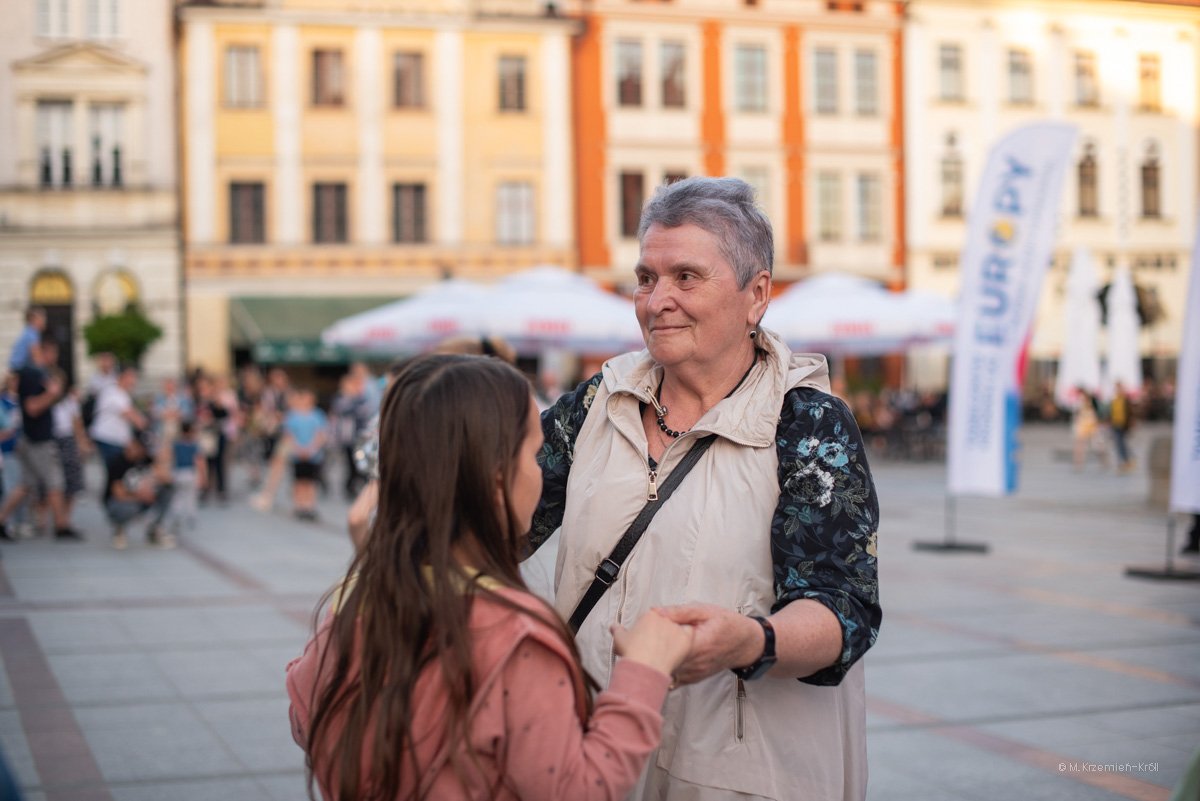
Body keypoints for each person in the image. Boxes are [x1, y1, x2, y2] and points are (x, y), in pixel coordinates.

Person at [530, 177, 881, 800]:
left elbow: (843, 608)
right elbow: (499, 520)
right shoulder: (597, 402)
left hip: (739, 776)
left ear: (757, 295)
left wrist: (750, 640)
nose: (656, 301)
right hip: (594, 753)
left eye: (686, 277)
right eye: (646, 278)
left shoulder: (806, 422)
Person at [286, 354, 694, 801]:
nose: (542, 471)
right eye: (533, 454)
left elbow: (304, 715)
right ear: (498, 478)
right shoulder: (516, 638)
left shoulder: (354, 601)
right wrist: (643, 672)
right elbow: (578, 788)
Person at [0, 335, 82, 541]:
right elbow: (32, 407)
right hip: (38, 440)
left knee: (25, 484)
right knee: (55, 482)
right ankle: (61, 526)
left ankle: (1, 520)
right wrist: (51, 394)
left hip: (31, 437)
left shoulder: (35, 373)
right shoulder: (33, 374)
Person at [105, 435, 175, 550]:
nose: (142, 451)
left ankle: (155, 530)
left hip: (140, 500)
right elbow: (118, 493)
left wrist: (160, 460)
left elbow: (168, 480)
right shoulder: (118, 462)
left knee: (167, 491)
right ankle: (119, 529)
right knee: (127, 507)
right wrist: (140, 495)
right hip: (118, 503)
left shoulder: (145, 459)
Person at [282, 388, 327, 520]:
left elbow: (321, 434)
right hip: (297, 454)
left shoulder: (317, 415)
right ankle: (299, 505)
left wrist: (311, 448)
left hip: (313, 455)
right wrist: (298, 448)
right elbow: (289, 435)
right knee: (299, 481)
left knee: (311, 481)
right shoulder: (292, 416)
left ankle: (309, 505)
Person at [166, 420, 207, 533]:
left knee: (177, 496)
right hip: (190, 472)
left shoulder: (176, 444)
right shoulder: (193, 445)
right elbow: (199, 461)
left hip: (178, 472)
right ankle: (190, 516)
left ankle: (176, 517)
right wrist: (203, 476)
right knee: (190, 497)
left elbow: (171, 457)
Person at [1109, 380, 1136, 473]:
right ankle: (1125, 461)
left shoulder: (1125, 399)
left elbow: (1129, 413)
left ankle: (1126, 460)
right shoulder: (1114, 400)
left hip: (1123, 425)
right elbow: (1112, 412)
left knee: (1121, 443)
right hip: (1115, 424)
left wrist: (1130, 424)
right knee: (1119, 443)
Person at [8, 307, 46, 371]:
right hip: (20, 367)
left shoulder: (27, 331)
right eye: (41, 318)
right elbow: (36, 357)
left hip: (17, 366)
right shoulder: (32, 333)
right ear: (33, 319)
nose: (44, 321)